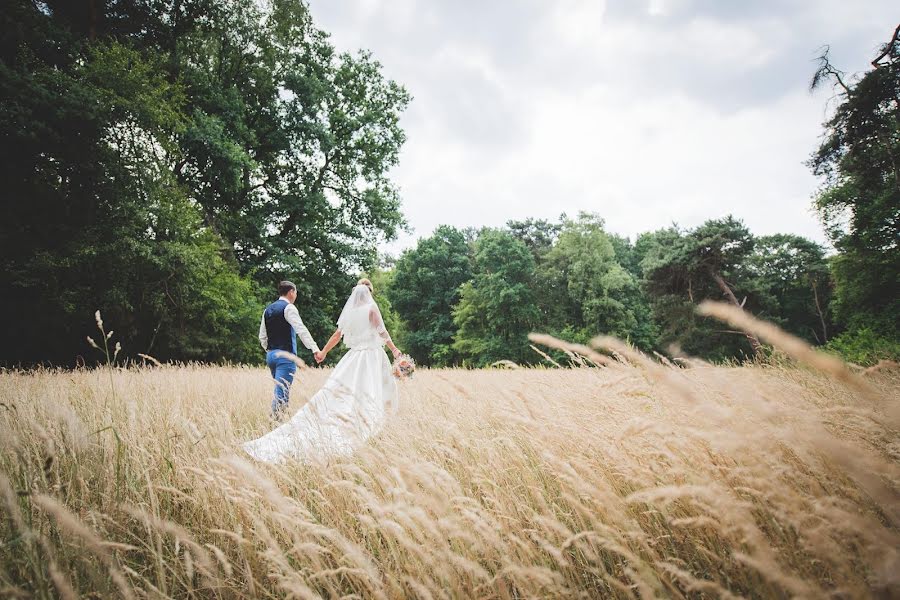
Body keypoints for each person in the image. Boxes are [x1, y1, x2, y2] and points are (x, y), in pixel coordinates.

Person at [244, 278, 401, 462]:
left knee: (345, 392)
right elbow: (382, 331)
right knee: (373, 390)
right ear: (369, 293)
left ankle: (361, 424)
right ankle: (368, 425)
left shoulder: (350, 312)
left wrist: (324, 351)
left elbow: (337, 335)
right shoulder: (372, 309)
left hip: (351, 358)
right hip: (372, 356)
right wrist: (395, 350)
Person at [258, 281, 323, 420]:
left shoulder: (267, 310)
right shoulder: (289, 308)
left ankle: (278, 422)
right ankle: (275, 425)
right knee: (282, 394)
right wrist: (315, 349)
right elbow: (301, 330)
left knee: (280, 391)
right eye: (296, 292)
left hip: (271, 356)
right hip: (285, 357)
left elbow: (262, 336)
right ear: (291, 292)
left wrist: (270, 351)